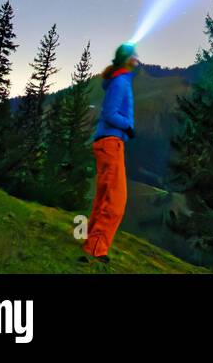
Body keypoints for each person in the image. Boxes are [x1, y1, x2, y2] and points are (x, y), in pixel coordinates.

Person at [80, 42, 139, 264]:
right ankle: (96, 248)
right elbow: (109, 112)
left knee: (104, 196)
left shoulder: (119, 80)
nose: (137, 58)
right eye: (134, 55)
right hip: (111, 142)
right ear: (126, 59)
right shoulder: (121, 82)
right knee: (116, 199)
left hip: (108, 142)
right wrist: (128, 126)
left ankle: (91, 241)